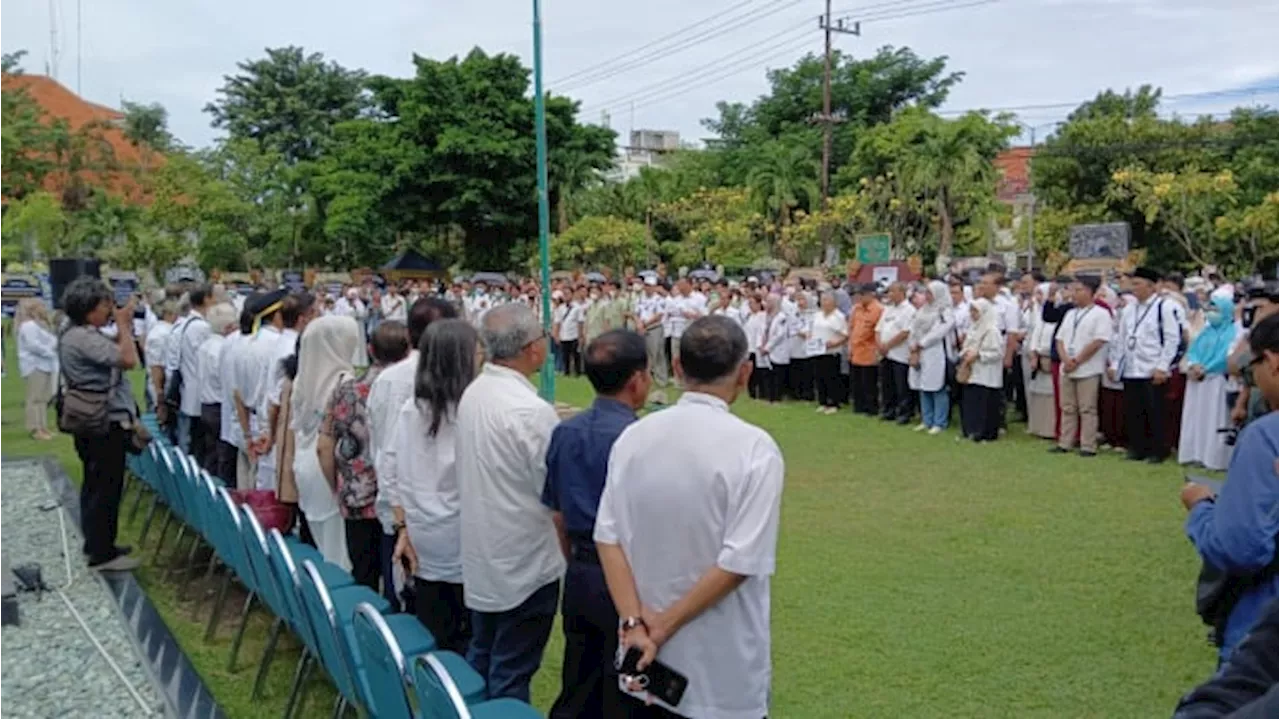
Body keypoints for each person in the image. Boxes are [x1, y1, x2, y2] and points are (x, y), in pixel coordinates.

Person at [595, 315, 784, 719]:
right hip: (718, 666)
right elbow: (739, 562)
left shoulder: (634, 436)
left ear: (677, 367)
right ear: (745, 373)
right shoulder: (754, 449)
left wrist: (635, 625)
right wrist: (656, 627)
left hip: (644, 650)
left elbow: (607, 538)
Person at [457, 303, 563, 703]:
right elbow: (553, 490)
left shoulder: (476, 392)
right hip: (524, 560)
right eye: (541, 338)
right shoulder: (530, 412)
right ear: (530, 349)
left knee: (483, 654)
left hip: (486, 549)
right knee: (510, 670)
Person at [542, 330, 648, 718]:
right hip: (628, 577)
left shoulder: (565, 432)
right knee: (625, 688)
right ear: (638, 379)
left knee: (579, 681)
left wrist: (575, 560)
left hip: (582, 570)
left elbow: (557, 512)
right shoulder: (639, 438)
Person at [1180, 312, 1280, 664]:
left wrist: (1201, 510)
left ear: (1272, 361)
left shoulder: (1268, 436)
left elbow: (1241, 548)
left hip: (1265, 622)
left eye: (1252, 369)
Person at [389, 319, 482, 655]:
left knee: (436, 628)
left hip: (424, 532)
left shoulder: (410, 411)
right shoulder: (471, 414)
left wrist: (403, 525)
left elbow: (395, 475)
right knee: (468, 634)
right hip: (460, 537)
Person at [370, 297, 459, 609]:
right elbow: (389, 452)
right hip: (425, 514)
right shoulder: (457, 383)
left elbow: (381, 448)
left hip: (402, 511)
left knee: (409, 602)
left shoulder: (387, 379)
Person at [58, 277, 141, 572]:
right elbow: (128, 359)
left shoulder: (76, 334)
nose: (109, 309)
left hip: (96, 419)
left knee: (98, 485)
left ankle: (100, 543)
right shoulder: (83, 338)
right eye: (104, 305)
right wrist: (123, 325)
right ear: (89, 308)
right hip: (102, 422)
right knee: (105, 486)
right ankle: (102, 554)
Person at [321, 321, 409, 590]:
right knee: (396, 576)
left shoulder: (345, 389)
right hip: (395, 498)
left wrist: (335, 486)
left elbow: (325, 442)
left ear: (370, 349)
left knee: (363, 573)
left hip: (357, 491)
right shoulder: (409, 389)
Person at [292, 315, 361, 570]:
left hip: (305, 466)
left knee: (322, 545)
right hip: (328, 468)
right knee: (340, 554)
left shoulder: (304, 379)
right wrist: (337, 488)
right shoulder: (343, 383)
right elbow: (328, 445)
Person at [1109, 267, 1182, 464]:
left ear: (1151, 286)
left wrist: (1163, 366)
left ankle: (1158, 450)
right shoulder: (1128, 309)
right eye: (1132, 284)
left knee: (1156, 411)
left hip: (1152, 367)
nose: (1134, 289)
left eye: (1138, 284)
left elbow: (1171, 339)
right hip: (1132, 367)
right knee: (1134, 410)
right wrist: (1116, 363)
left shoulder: (1164, 307)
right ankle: (1137, 447)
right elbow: (1121, 339)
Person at [1052, 277, 1113, 457]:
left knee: (1087, 408)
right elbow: (1060, 339)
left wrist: (1077, 360)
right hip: (1067, 366)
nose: (1074, 294)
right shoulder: (1071, 314)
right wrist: (1066, 359)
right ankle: (1065, 441)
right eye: (1073, 290)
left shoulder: (1101, 314)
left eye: (1078, 290)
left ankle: (1088, 444)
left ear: (1089, 292)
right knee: (1068, 406)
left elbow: (1098, 341)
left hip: (1088, 367)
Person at [1179, 295, 1240, 471]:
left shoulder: (1232, 332)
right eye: (1210, 309)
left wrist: (1207, 368)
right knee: (1197, 418)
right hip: (1197, 380)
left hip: (1216, 381)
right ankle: (1195, 453)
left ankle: (1215, 458)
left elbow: (1226, 356)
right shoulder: (1205, 332)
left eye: (1217, 310)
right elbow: (1193, 351)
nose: (1212, 313)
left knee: (1214, 418)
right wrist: (1194, 365)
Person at [167, 284, 214, 459]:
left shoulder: (187, 323)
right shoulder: (201, 327)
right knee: (197, 446)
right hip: (198, 393)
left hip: (190, 390)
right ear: (207, 299)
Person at [194, 302, 238, 477]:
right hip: (219, 406)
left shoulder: (205, 346)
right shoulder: (222, 349)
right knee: (223, 454)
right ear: (228, 327)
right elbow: (226, 380)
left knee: (211, 451)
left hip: (206, 404)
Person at [907, 280, 955, 434]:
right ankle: (926, 419)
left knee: (937, 386)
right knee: (923, 385)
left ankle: (939, 421)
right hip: (919, 352)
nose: (927, 296)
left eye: (930, 293)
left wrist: (922, 343)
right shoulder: (923, 310)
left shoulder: (945, 311)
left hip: (936, 352)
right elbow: (913, 327)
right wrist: (913, 344)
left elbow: (939, 331)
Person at [960, 298, 1005, 442]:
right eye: (971, 311)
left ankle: (985, 433)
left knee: (985, 404)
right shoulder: (973, 328)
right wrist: (966, 354)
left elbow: (997, 353)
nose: (972, 314)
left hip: (987, 373)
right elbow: (966, 345)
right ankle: (971, 430)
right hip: (973, 371)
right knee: (972, 403)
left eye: (975, 311)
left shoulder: (992, 330)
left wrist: (979, 355)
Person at [15, 298, 58, 440]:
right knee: (35, 398)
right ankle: (35, 428)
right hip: (34, 364)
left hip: (44, 364)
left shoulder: (38, 325)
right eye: (41, 306)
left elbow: (50, 339)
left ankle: (43, 427)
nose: (44, 309)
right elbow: (33, 345)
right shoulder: (28, 326)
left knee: (43, 398)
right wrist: (49, 351)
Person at [877, 282, 916, 424]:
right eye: (889, 292)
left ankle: (904, 413)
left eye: (893, 292)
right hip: (885, 353)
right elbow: (879, 328)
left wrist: (888, 345)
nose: (890, 295)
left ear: (902, 292)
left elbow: (905, 332)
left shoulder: (909, 310)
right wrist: (880, 345)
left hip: (900, 353)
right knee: (887, 384)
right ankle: (889, 410)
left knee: (901, 386)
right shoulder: (888, 309)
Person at [811, 292, 848, 414]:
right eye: (822, 300)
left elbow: (845, 335)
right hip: (818, 350)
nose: (823, 302)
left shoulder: (838, 316)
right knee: (820, 377)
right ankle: (823, 401)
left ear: (833, 302)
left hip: (832, 352)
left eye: (826, 300)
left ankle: (833, 403)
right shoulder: (817, 315)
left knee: (832, 378)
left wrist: (835, 343)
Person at [636, 277, 669, 404]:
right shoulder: (640, 298)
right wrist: (639, 324)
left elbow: (659, 315)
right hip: (642, 327)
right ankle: (651, 378)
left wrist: (645, 324)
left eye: (650, 286)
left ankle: (659, 379)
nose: (647, 288)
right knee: (645, 353)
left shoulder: (659, 299)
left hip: (654, 327)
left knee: (655, 353)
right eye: (646, 285)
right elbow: (636, 312)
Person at [760, 295, 790, 405]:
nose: (767, 304)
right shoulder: (767, 316)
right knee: (769, 374)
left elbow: (779, 335)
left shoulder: (782, 317)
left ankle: (777, 398)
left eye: (769, 301)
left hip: (778, 349)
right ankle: (770, 397)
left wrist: (768, 347)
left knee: (778, 374)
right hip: (767, 349)